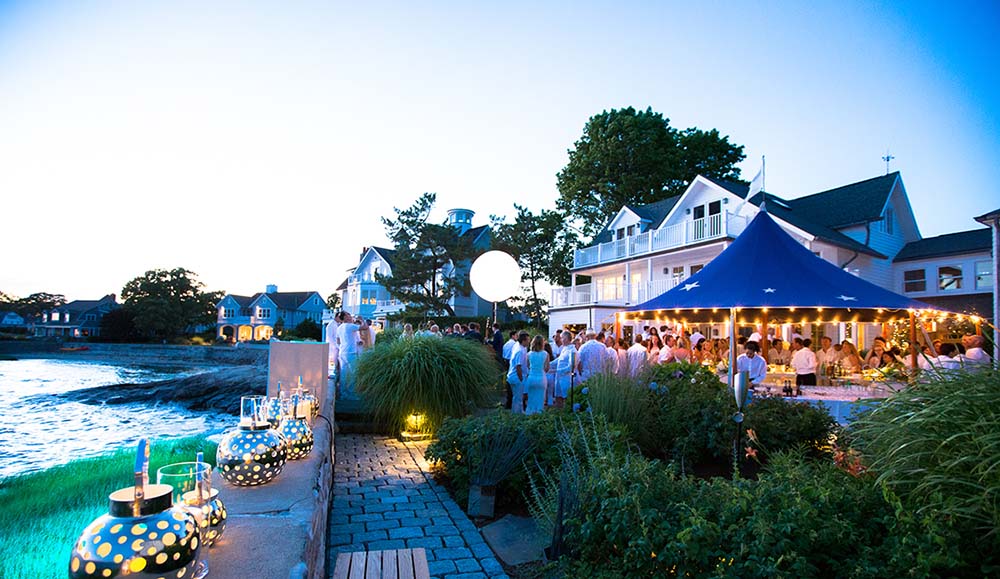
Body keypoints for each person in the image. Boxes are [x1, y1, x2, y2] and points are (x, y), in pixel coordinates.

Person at [336, 312, 362, 399]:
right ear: (346, 317)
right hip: (351, 352)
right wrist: (361, 320)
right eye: (349, 315)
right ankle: (352, 394)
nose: (351, 316)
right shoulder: (350, 326)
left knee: (343, 374)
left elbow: (338, 341)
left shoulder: (339, 328)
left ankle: (343, 394)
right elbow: (365, 327)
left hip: (342, 352)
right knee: (353, 373)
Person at [524, 335, 549, 415]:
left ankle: (529, 415)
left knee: (531, 399)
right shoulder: (545, 354)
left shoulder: (529, 354)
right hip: (541, 377)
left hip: (531, 377)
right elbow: (547, 368)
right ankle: (539, 415)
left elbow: (527, 366)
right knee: (541, 400)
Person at [507, 332, 530, 413]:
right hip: (517, 377)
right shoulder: (519, 351)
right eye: (528, 340)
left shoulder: (521, 348)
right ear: (523, 341)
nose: (529, 342)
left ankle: (518, 412)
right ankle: (517, 414)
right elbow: (518, 366)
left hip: (515, 376)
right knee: (518, 398)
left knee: (517, 397)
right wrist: (521, 379)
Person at [553, 330, 578, 407]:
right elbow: (559, 360)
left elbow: (571, 366)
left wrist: (557, 371)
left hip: (566, 379)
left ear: (566, 339)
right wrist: (548, 364)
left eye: (562, 338)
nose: (560, 340)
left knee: (566, 398)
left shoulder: (572, 350)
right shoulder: (564, 349)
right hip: (559, 378)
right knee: (558, 397)